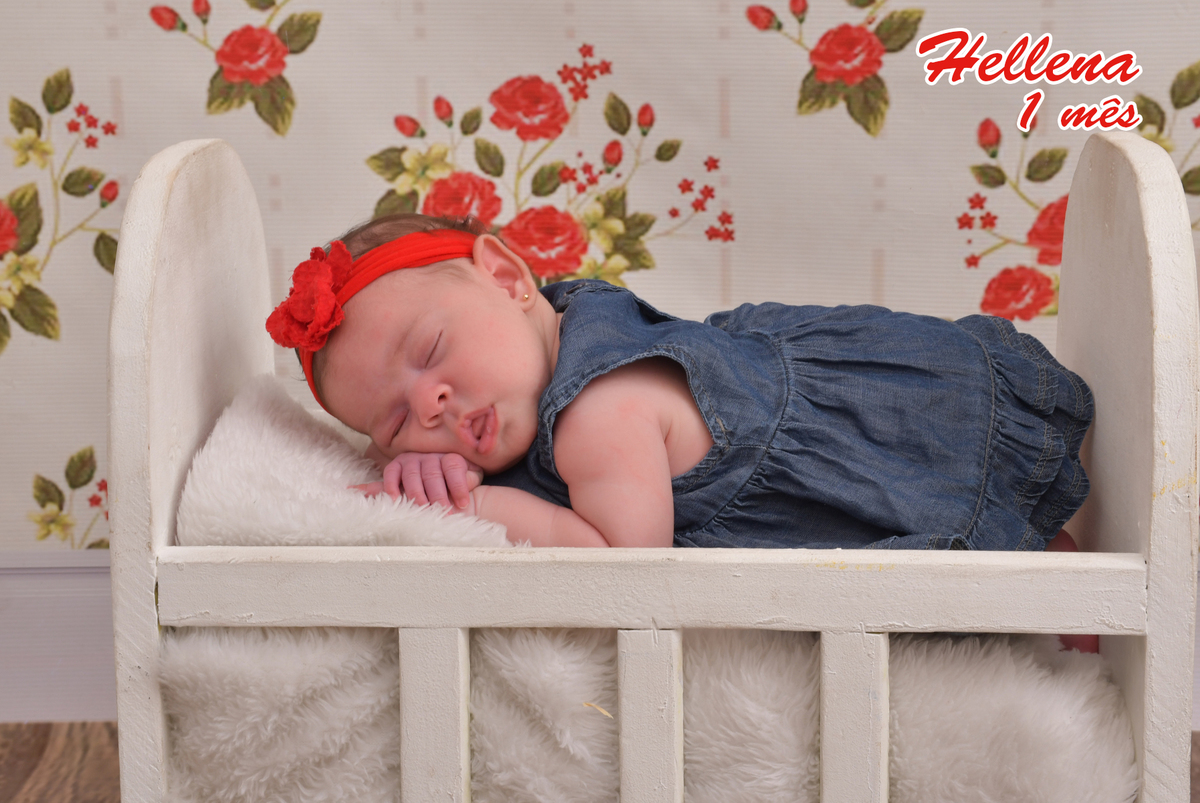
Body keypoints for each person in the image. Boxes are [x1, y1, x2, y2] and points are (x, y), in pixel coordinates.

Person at [266, 212, 1093, 553]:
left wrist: (475, 507)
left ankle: (1055, 566)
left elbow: (621, 565)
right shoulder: (560, 332)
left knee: (1003, 552)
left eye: (432, 348)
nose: (430, 404)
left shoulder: (600, 411)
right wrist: (436, 469)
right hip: (818, 406)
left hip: (896, 439)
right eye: (392, 423)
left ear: (510, 279)